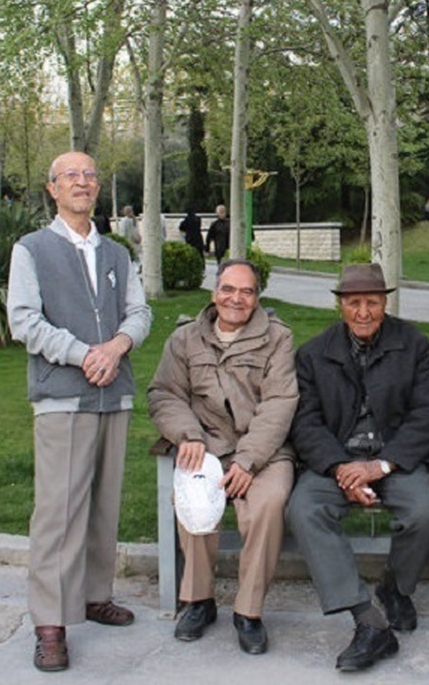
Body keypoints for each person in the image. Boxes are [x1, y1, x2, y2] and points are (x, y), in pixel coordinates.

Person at [7, 151, 152, 673]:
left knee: (103, 506)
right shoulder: (32, 249)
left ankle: (94, 595)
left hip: (114, 395)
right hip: (63, 397)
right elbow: (24, 320)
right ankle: (50, 622)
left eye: (90, 175)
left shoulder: (116, 252)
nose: (82, 182)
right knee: (58, 512)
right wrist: (83, 354)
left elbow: (139, 312)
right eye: (71, 175)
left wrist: (116, 347)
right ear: (53, 188)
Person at [287, 263, 429, 672]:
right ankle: (367, 617)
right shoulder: (313, 353)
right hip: (336, 462)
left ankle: (395, 589)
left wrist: (381, 464)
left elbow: (428, 413)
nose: (363, 312)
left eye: (372, 302)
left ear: (384, 303)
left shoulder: (413, 344)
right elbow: (306, 422)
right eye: (354, 302)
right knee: (304, 509)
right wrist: (341, 468)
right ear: (340, 305)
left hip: (395, 459)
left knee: (424, 514)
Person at [147, 259, 298, 655]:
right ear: (215, 293)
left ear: (257, 298)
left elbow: (280, 402)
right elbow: (164, 394)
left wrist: (248, 460)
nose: (236, 299)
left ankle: (248, 612)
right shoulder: (184, 339)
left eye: (246, 291)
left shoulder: (278, 338)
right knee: (193, 497)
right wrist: (188, 435)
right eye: (228, 289)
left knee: (268, 503)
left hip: (264, 451)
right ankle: (198, 600)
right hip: (207, 445)